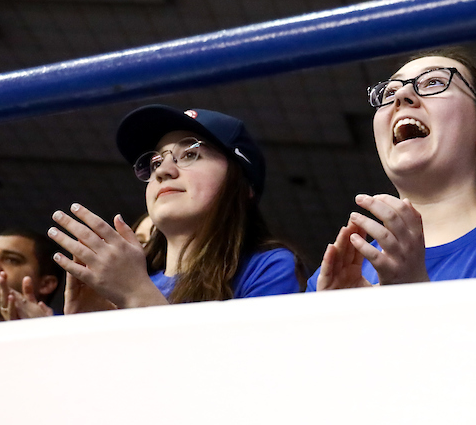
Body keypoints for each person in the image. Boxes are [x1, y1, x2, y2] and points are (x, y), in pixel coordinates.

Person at [311, 48, 476, 290]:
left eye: (435, 82)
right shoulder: (332, 276)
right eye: (389, 92)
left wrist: (412, 295)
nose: (402, 95)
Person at [47, 105, 301, 310]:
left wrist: (136, 296)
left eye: (191, 154)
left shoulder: (267, 267)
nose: (163, 172)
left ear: (243, 186)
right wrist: (86, 330)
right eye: (156, 161)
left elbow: (246, 368)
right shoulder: (127, 283)